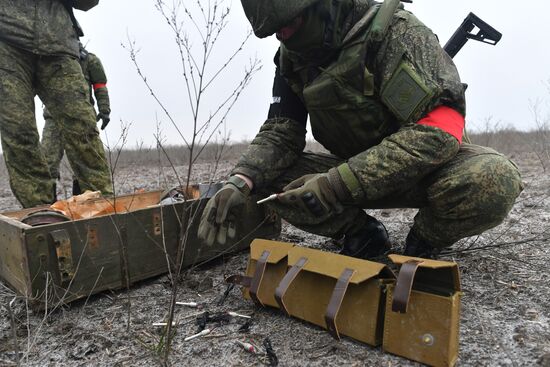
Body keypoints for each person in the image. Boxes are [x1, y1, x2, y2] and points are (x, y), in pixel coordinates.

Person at [198, 0, 523, 258]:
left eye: (289, 26)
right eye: (276, 33)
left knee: (494, 178)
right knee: (266, 177)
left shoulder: (396, 35)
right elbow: (281, 131)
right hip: (353, 177)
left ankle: (424, 241)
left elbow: (438, 132)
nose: (285, 38)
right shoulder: (292, 60)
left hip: (430, 172)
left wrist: (335, 185)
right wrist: (241, 180)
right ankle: (362, 235)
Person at [0, 0, 112, 208]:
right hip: (6, 41)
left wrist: (104, 109)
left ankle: (102, 207)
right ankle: (41, 212)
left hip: (57, 42)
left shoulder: (92, 60)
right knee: (18, 130)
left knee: (82, 127)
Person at [42, 42, 111, 196]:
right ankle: (46, 207)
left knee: (86, 160)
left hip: (81, 117)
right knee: (47, 162)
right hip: (54, 118)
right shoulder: (48, 58)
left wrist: (104, 110)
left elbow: (100, 87)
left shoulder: (90, 60)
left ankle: (84, 200)